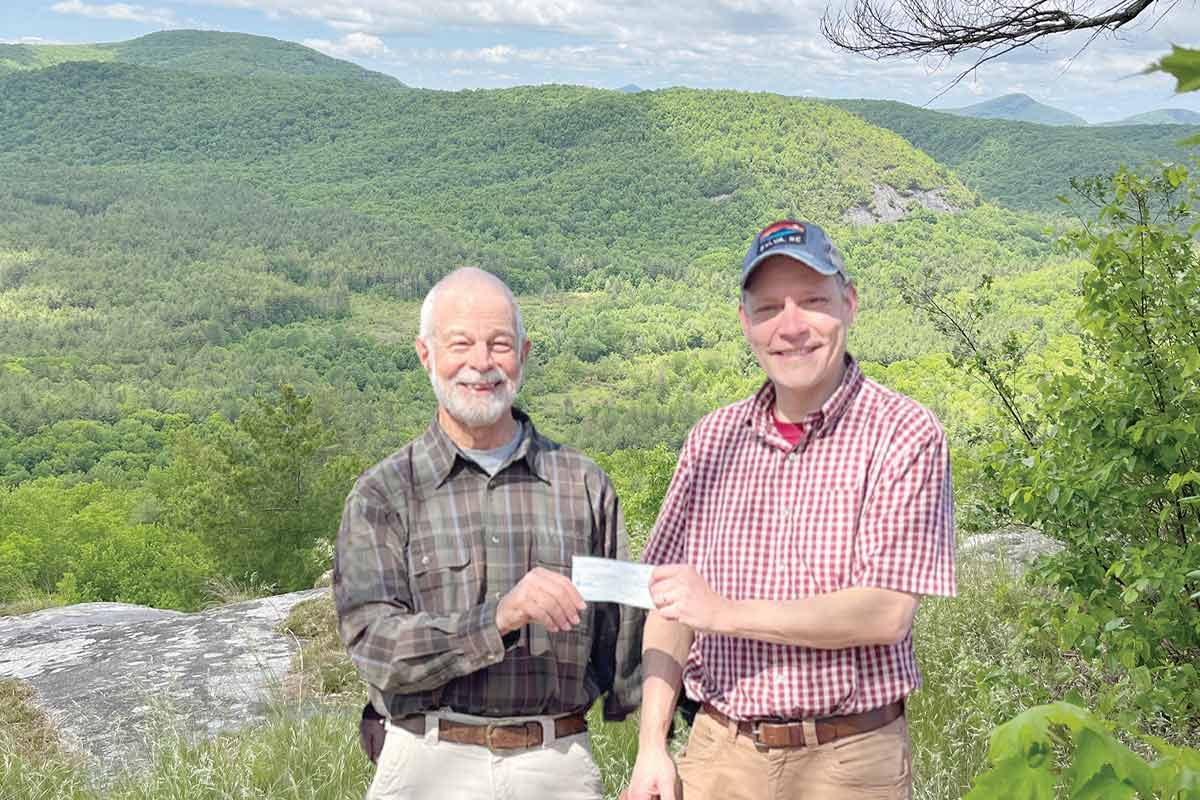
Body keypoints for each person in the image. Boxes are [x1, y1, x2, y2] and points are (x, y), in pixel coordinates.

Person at [624, 221, 956, 800]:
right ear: (745, 321)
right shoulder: (712, 440)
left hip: (849, 762)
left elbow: (883, 613)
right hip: (718, 752)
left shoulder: (903, 434)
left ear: (849, 305)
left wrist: (723, 612)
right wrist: (652, 744)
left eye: (813, 301)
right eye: (770, 307)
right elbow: (670, 603)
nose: (792, 326)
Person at [334, 267, 643, 800]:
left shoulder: (584, 484)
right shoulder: (383, 494)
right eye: (461, 344)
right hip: (426, 760)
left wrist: (661, 740)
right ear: (425, 354)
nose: (481, 363)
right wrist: (498, 618)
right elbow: (375, 646)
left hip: (556, 762)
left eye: (499, 344)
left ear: (522, 354)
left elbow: (626, 643)